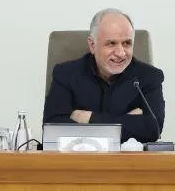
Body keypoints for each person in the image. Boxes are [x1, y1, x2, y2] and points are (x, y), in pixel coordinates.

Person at [43, 8, 165, 143]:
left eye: (127, 43)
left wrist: (89, 118)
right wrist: (126, 121)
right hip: (79, 155)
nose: (120, 53)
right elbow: (53, 129)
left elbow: (153, 129)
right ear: (92, 45)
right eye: (111, 43)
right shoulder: (66, 74)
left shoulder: (149, 77)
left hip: (128, 157)